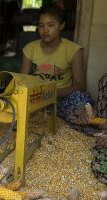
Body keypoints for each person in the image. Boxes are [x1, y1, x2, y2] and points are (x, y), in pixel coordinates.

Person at [20, 5, 94, 134]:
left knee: (81, 99)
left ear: (61, 25)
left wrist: (53, 93)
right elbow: (21, 80)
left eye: (51, 25)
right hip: (37, 98)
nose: (45, 30)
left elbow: (80, 84)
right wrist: (35, 96)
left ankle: (73, 118)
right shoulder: (30, 49)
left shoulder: (73, 50)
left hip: (61, 98)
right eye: (41, 25)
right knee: (17, 101)